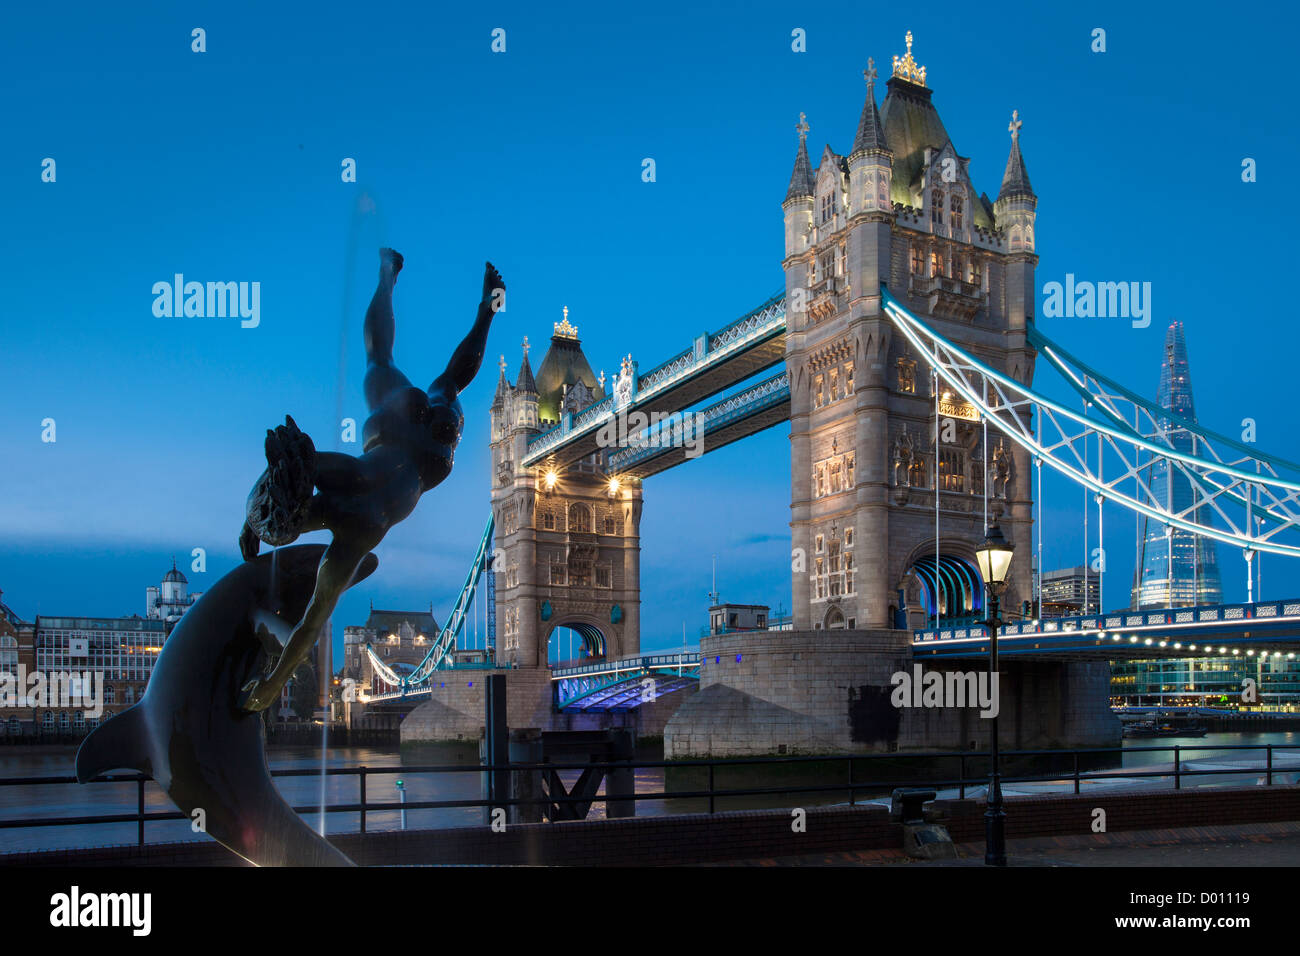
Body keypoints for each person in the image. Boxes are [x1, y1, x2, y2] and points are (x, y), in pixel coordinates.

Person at [235, 249, 504, 712]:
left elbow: (310, 625)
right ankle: (394, 276)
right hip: (417, 438)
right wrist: (250, 519)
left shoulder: (348, 518)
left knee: (388, 361)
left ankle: (393, 276)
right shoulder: (339, 486)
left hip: (403, 433)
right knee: (398, 366)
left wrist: (271, 686)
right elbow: (294, 463)